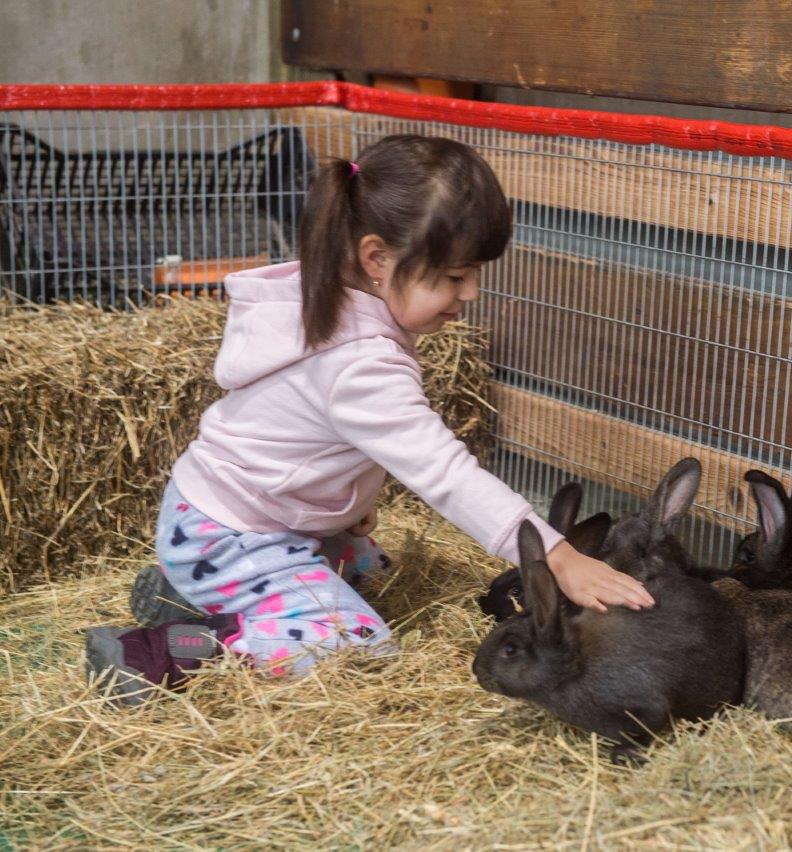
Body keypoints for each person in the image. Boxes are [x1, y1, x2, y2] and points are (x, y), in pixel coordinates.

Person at [84, 135, 654, 705]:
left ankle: (193, 590)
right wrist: (558, 556)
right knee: (355, 644)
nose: (472, 293)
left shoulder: (326, 297)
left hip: (240, 519)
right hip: (235, 534)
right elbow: (445, 475)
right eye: (455, 277)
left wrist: (343, 500)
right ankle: (164, 651)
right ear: (378, 258)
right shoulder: (359, 364)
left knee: (372, 569)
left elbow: (314, 436)